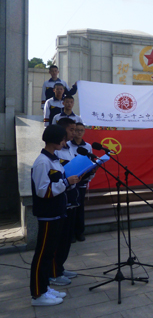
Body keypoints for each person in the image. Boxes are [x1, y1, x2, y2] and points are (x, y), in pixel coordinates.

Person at [29, 125, 79, 306]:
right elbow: (43, 191)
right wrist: (66, 182)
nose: (65, 142)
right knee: (42, 255)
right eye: (63, 139)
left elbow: (60, 183)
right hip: (48, 214)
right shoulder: (43, 162)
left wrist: (72, 181)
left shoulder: (54, 159)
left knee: (49, 254)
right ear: (56, 139)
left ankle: (45, 287)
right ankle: (37, 294)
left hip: (57, 212)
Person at [50, 118, 78, 286]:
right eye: (71, 129)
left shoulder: (69, 148)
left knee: (67, 238)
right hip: (61, 197)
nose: (74, 132)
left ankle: (60, 267)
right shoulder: (55, 150)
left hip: (72, 195)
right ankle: (53, 272)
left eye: (75, 129)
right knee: (58, 239)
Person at [68, 123, 95, 241]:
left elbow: (89, 162)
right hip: (71, 181)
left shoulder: (88, 146)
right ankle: (71, 233)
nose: (79, 132)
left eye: (81, 130)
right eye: (77, 130)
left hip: (83, 181)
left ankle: (79, 232)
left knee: (80, 206)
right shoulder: (68, 145)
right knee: (71, 208)